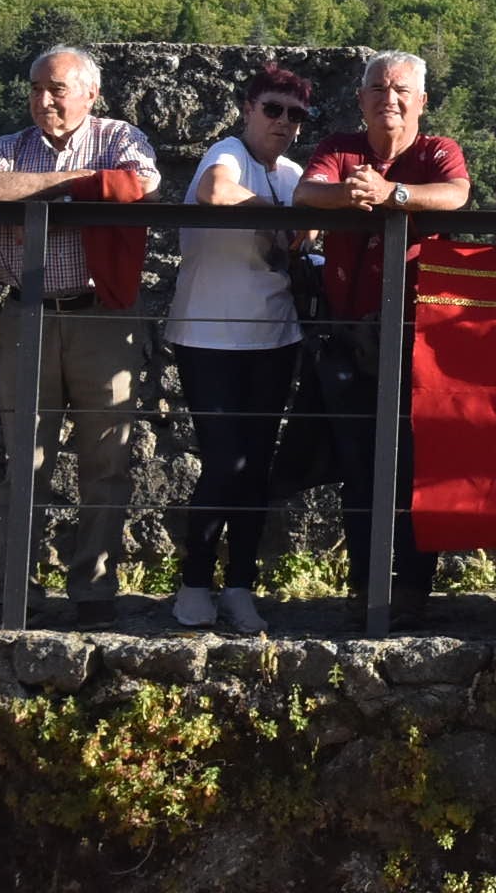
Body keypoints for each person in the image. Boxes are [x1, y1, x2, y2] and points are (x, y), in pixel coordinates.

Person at [0, 45, 163, 621]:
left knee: (106, 460)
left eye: (57, 88)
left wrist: (39, 188)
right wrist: (81, 185)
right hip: (26, 313)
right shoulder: (7, 146)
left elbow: (142, 183)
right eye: (36, 87)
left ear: (91, 92)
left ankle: (94, 591)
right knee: (24, 460)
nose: (43, 100)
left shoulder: (120, 138)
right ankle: (18, 591)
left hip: (101, 317)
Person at [296, 50, 473, 622]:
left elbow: (455, 195)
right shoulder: (338, 147)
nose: (388, 99)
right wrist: (352, 195)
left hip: (422, 341)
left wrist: (391, 196)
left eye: (400, 90)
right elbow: (306, 193)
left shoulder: (437, 150)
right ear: (360, 98)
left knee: (420, 470)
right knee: (359, 469)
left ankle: (415, 592)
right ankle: (365, 590)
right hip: (349, 337)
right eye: (377, 88)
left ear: (422, 101)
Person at [169, 64, 317, 636]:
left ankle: (239, 588)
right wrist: (282, 217)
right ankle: (195, 584)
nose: (283, 123)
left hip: (273, 337)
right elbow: (214, 192)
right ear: (248, 109)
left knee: (254, 468)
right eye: (273, 109)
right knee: (224, 463)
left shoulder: (293, 171)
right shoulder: (225, 152)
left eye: (295, 115)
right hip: (210, 336)